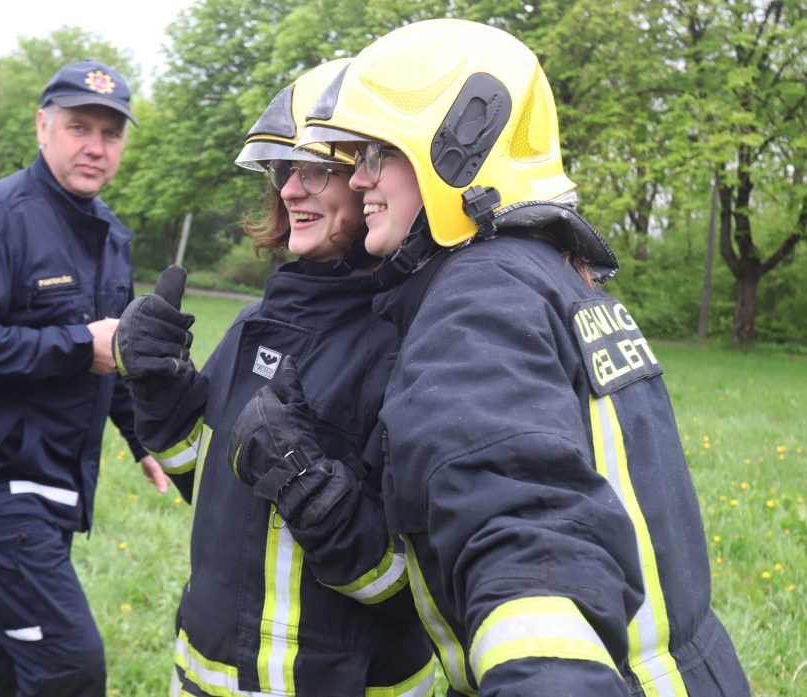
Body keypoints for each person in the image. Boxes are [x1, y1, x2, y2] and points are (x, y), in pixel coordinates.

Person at [232, 19, 749, 697]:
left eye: (376, 154)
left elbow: (524, 537)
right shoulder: (550, 276)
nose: (356, 181)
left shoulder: (478, 300)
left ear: (456, 149)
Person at [114, 59, 434, 697]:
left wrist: (313, 491)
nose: (289, 191)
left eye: (316, 168)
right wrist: (161, 391)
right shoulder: (257, 320)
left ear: (371, 175)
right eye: (283, 170)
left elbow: (412, 585)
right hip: (205, 672)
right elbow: (204, 479)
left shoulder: (409, 341)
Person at [0, 59, 168, 696]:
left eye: (110, 134)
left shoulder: (111, 233)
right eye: (79, 127)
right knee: (67, 666)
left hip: (55, 480)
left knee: (4, 664)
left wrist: (142, 441)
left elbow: (115, 346)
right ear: (42, 126)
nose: (95, 146)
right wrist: (78, 346)